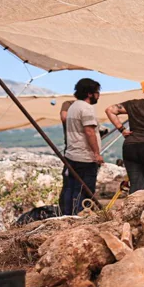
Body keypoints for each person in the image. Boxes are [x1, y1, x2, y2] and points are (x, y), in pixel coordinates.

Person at [60, 78, 102, 215]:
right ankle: (80, 217)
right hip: (85, 157)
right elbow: (89, 131)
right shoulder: (86, 108)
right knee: (84, 191)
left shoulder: (73, 107)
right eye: (97, 92)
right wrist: (96, 153)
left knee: (70, 188)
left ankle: (67, 215)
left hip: (72, 155)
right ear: (90, 94)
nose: (98, 95)